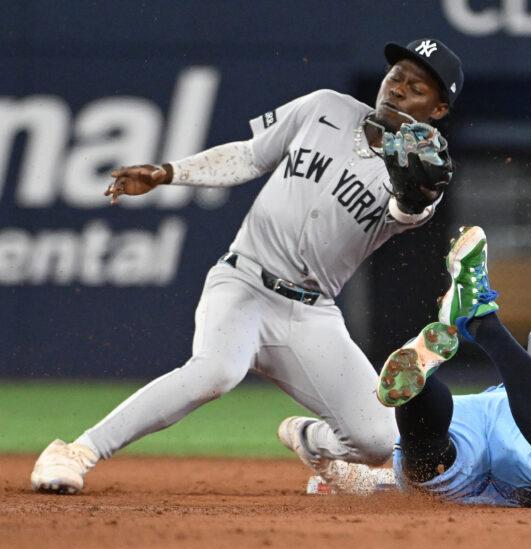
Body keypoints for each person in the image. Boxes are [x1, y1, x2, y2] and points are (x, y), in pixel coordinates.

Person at [30, 38, 463, 494]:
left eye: (416, 88)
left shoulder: (418, 181)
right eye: (397, 76)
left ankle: (311, 440)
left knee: (379, 440)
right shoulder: (325, 107)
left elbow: (406, 211)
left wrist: (419, 195)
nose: (397, 89)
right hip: (243, 282)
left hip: (309, 313)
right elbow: (250, 155)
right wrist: (168, 172)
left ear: (436, 111)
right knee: (216, 371)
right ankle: (76, 451)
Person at [306, 226, 531, 504]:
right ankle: (483, 324)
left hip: (474, 413)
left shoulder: (507, 389)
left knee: (430, 464)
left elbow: (382, 484)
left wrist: (341, 475)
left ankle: (422, 390)